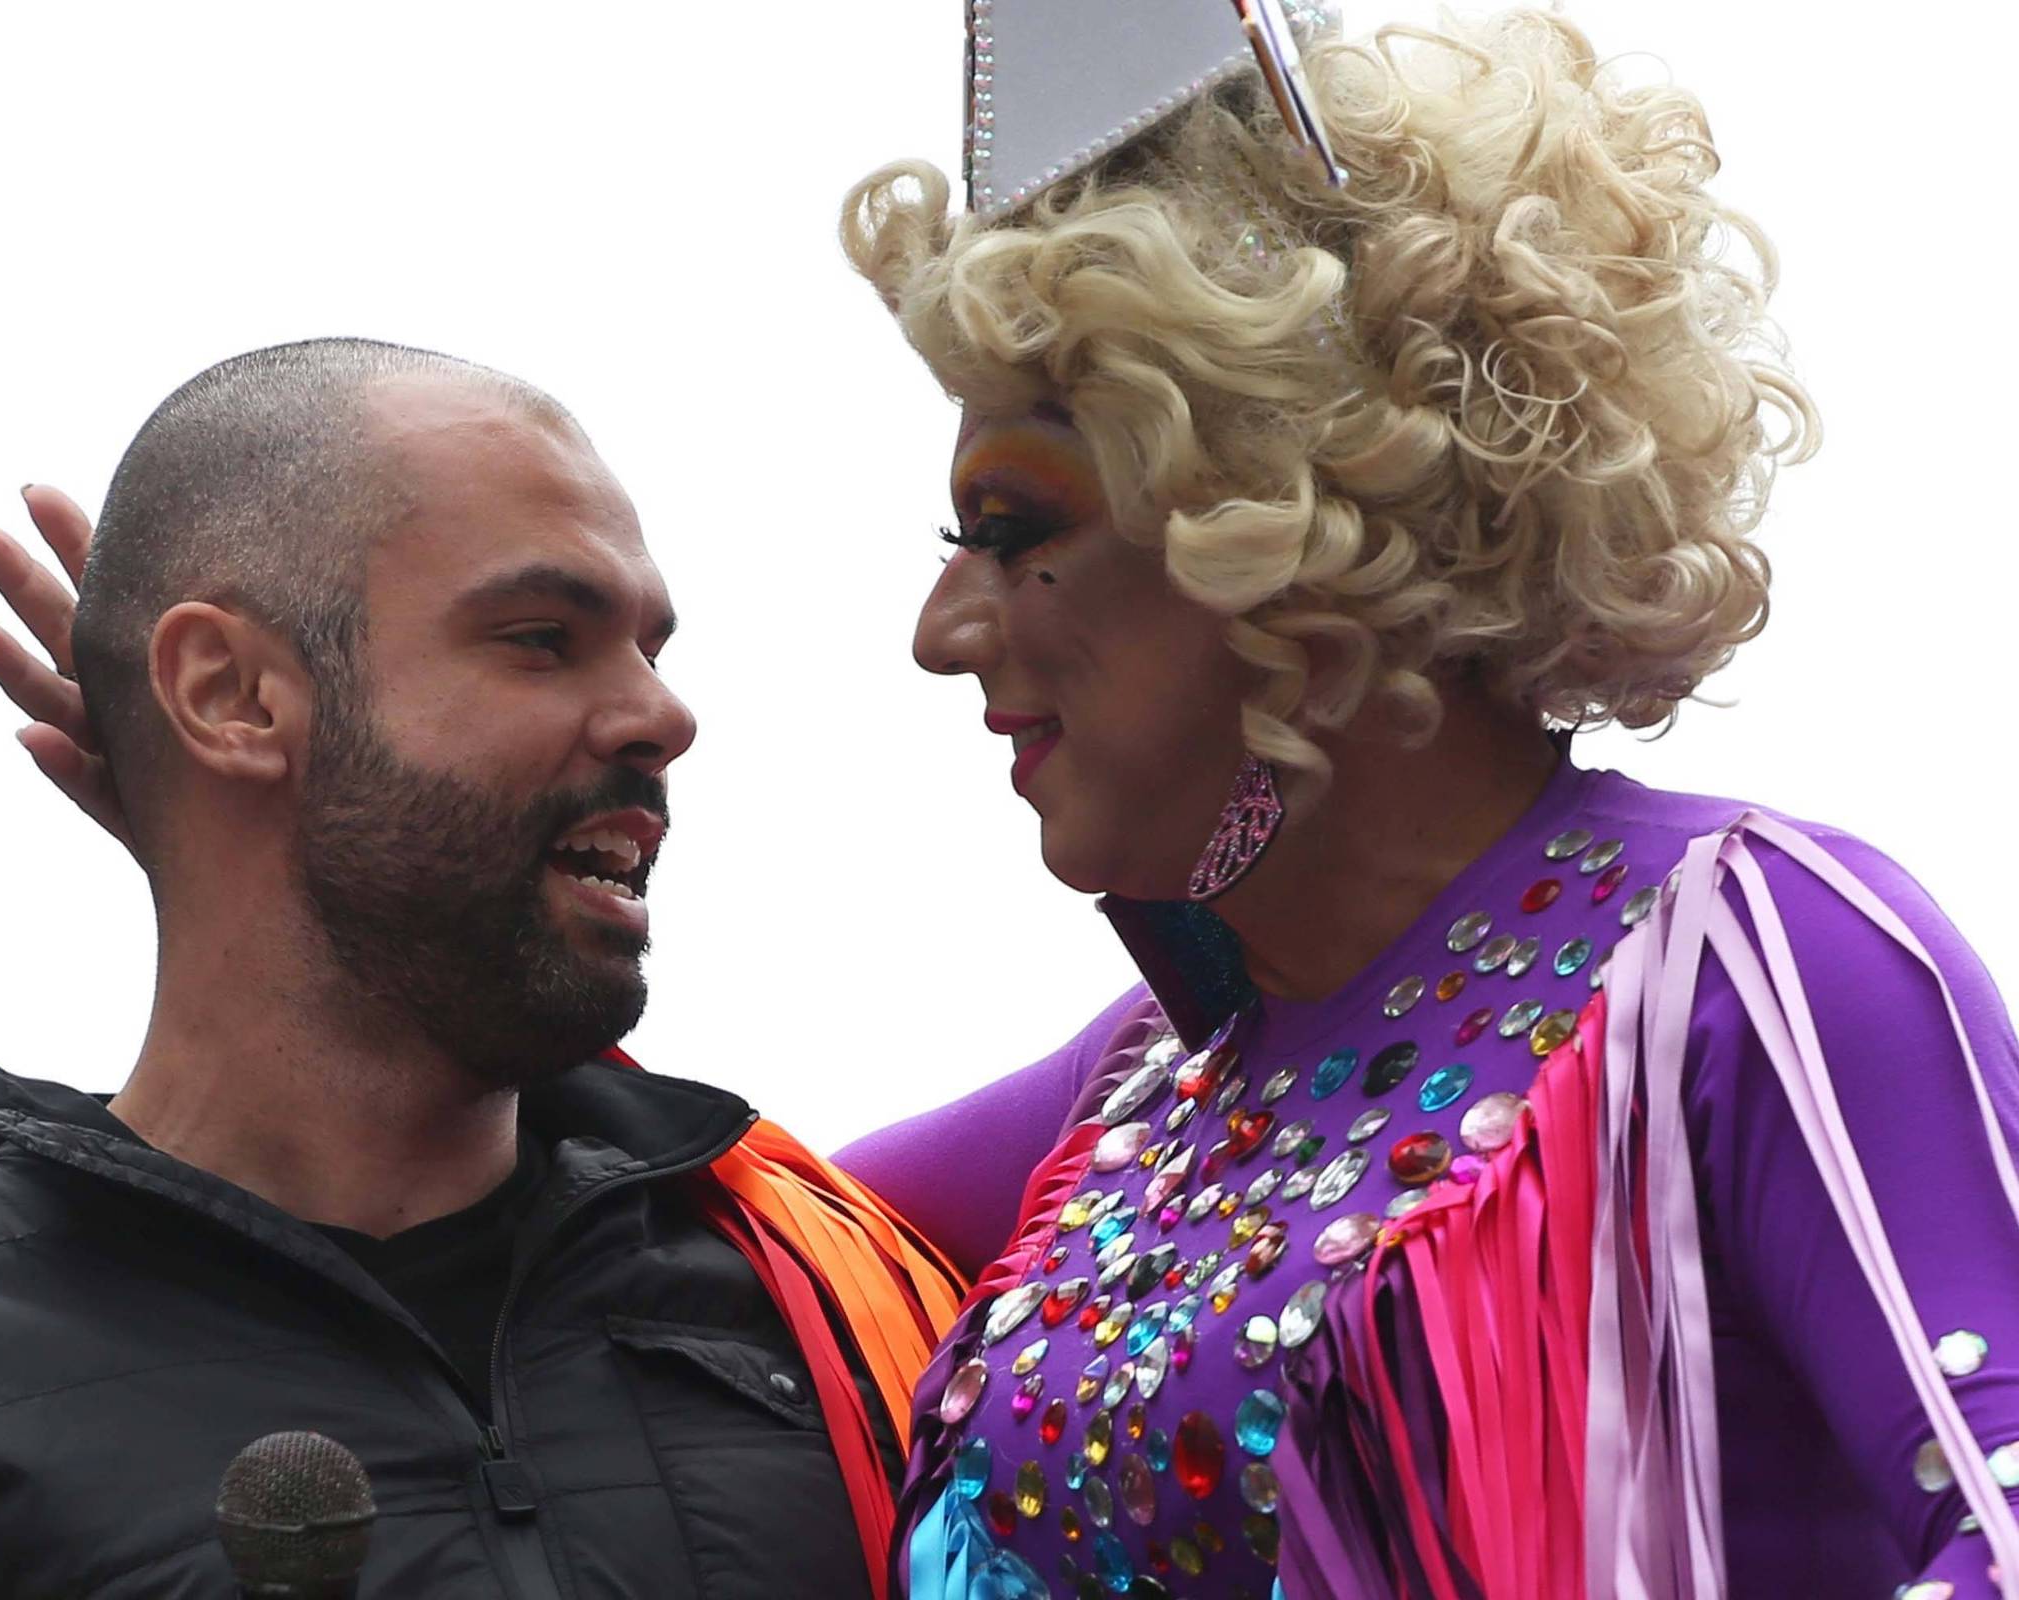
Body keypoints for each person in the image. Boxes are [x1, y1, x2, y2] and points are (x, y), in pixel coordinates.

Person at [818, 5, 2019, 1599]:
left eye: (1011, 523)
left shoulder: (1743, 959)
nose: (941, 635)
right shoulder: (1133, 1092)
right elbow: (659, 1216)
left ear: (1286, 516)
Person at [0, 340, 959, 1597]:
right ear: (230, 695)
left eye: (652, 651)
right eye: (543, 638)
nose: (665, 717)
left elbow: (1167, 1090)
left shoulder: (824, 1301)